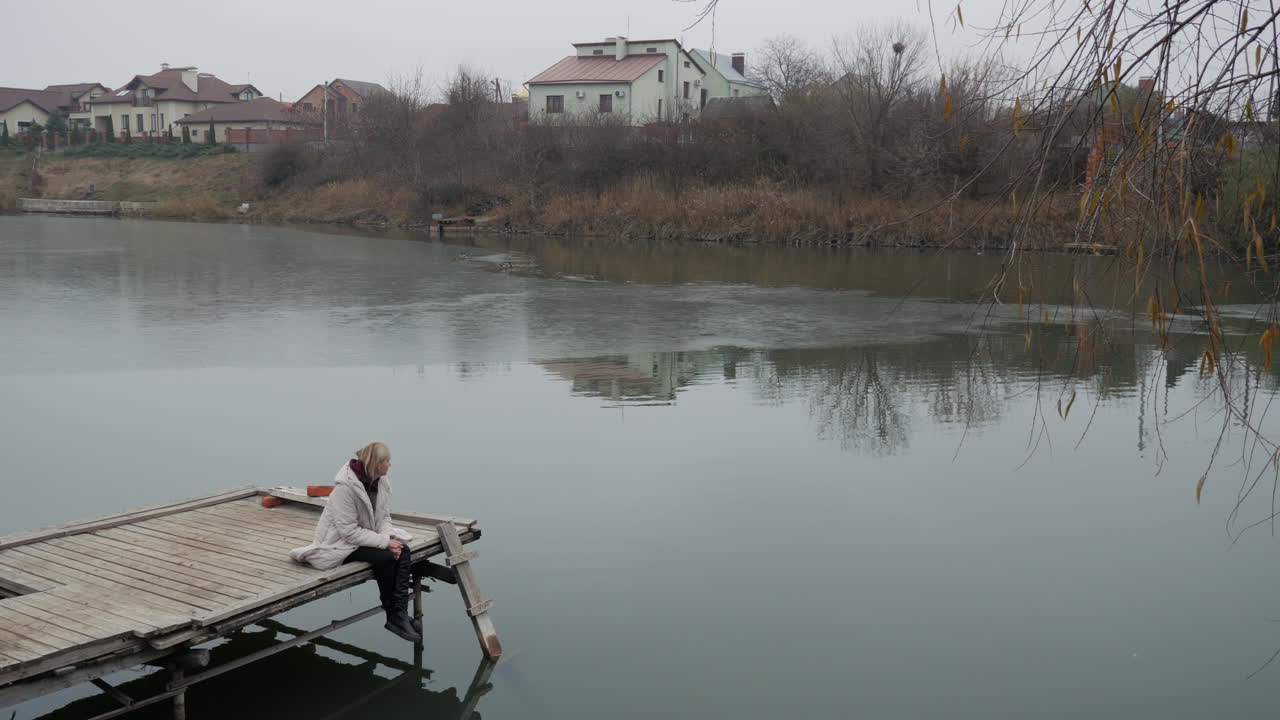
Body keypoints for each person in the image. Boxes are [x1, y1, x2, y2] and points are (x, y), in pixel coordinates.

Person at [289, 442, 421, 643]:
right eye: (386, 461)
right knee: (385, 558)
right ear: (376, 463)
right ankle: (392, 615)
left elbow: (384, 517)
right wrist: (385, 543)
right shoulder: (345, 489)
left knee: (403, 551)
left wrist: (388, 539)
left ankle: (400, 613)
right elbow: (348, 532)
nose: (390, 465)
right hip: (340, 543)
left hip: (366, 535)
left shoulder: (381, 481)